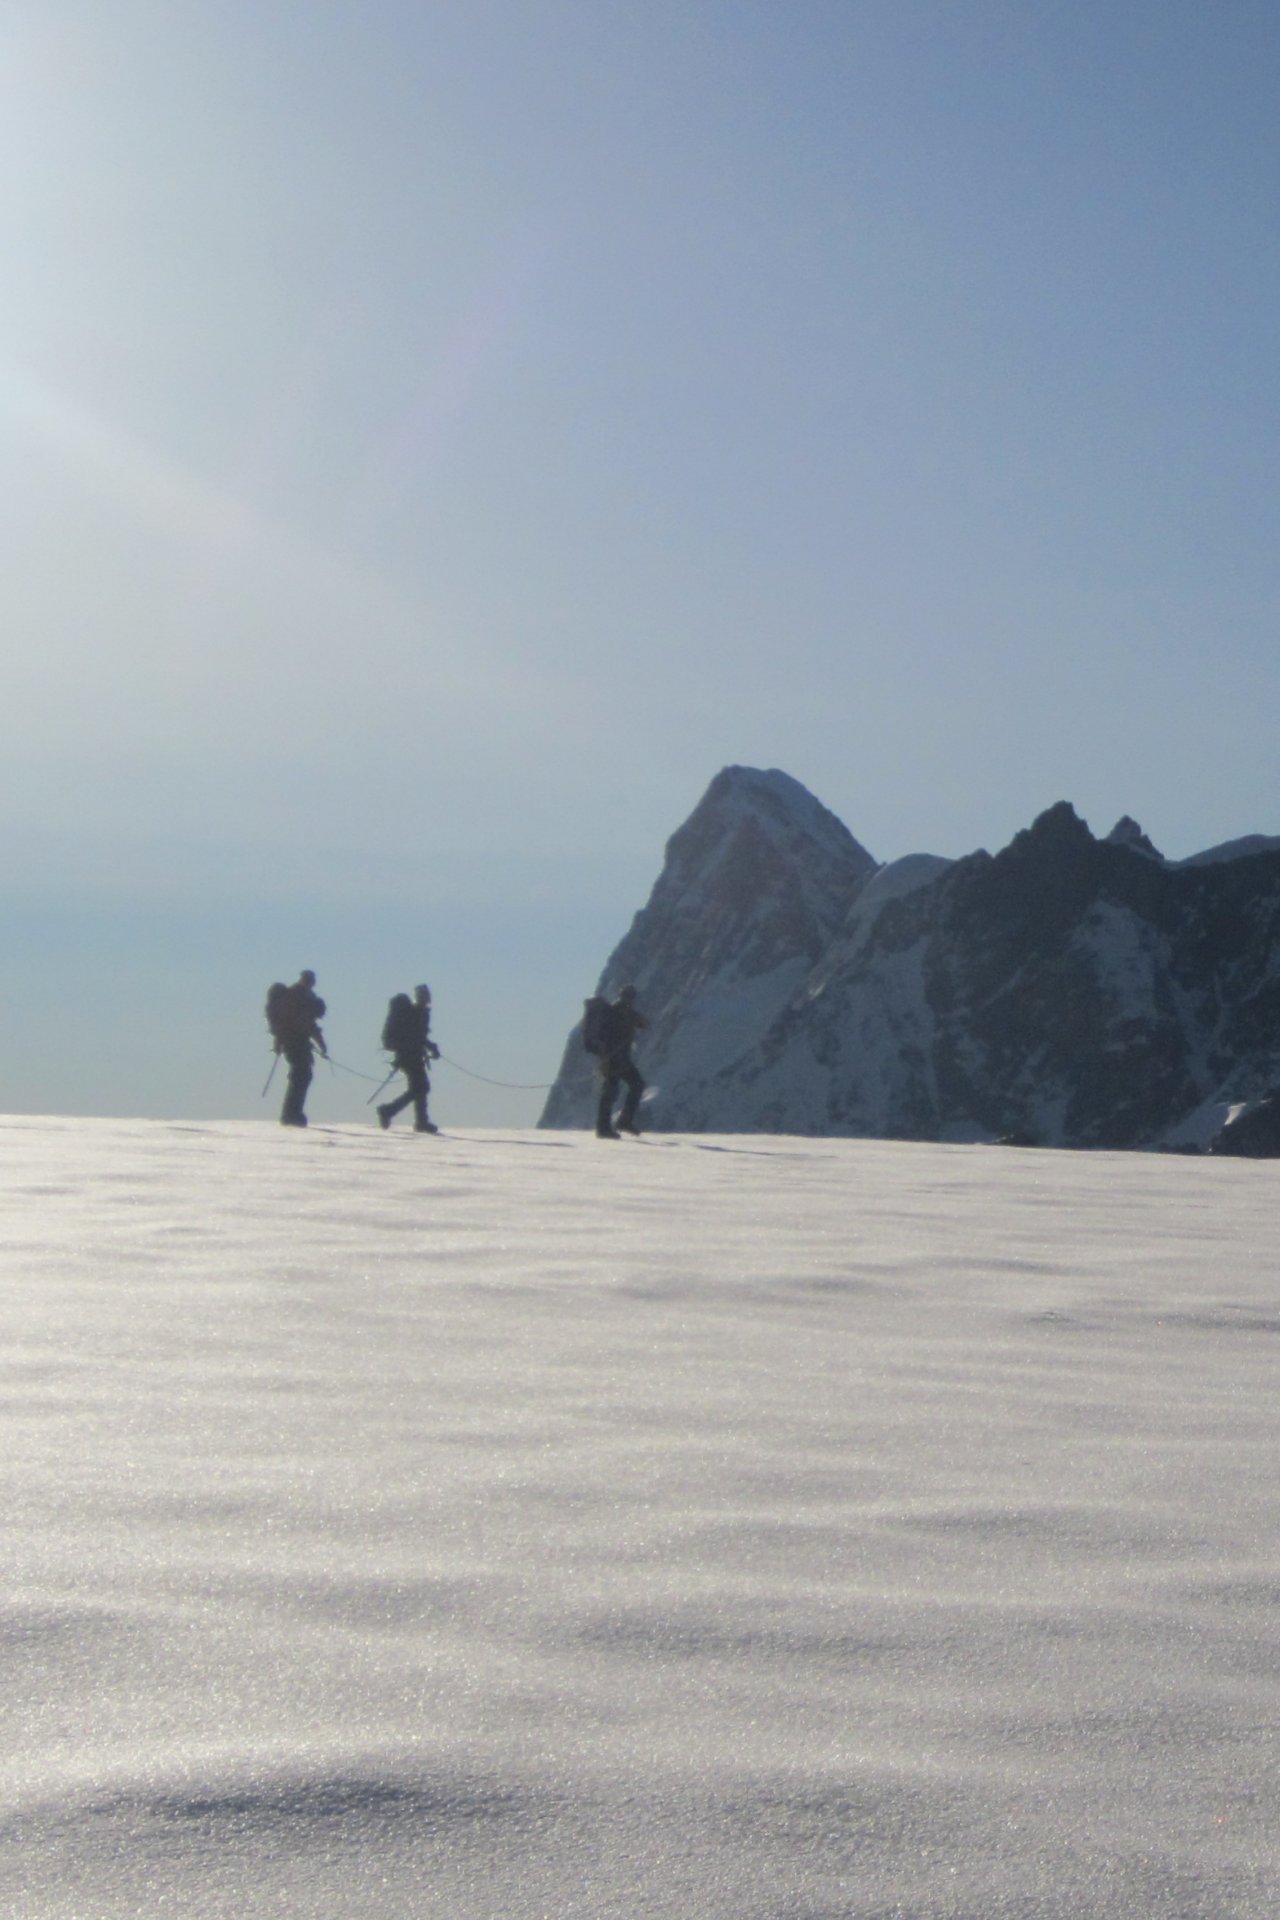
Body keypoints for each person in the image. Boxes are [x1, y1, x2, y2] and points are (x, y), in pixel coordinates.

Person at [266, 970, 327, 1128]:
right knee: (301, 1076)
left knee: (301, 1076)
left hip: (295, 1043)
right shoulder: (300, 998)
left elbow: (307, 1024)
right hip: (295, 1043)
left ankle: (292, 1113)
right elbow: (304, 1024)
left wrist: (320, 1043)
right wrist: (321, 1043)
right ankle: (291, 1114)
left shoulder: (303, 997)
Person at [377, 983, 441, 1133]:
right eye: (425, 995)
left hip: (412, 1055)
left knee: (419, 1088)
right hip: (408, 1056)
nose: (427, 998)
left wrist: (431, 1047)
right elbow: (418, 1036)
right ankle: (389, 1111)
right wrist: (430, 1048)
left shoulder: (420, 1012)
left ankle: (420, 1121)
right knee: (420, 1087)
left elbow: (421, 1037)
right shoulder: (416, 1013)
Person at [593, 985, 648, 1139]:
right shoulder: (621, 1012)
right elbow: (643, 1024)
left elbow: (641, 1023)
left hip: (613, 1058)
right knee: (618, 1089)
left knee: (613, 1090)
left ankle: (610, 1125)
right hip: (616, 1059)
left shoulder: (618, 1011)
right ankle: (612, 1125)